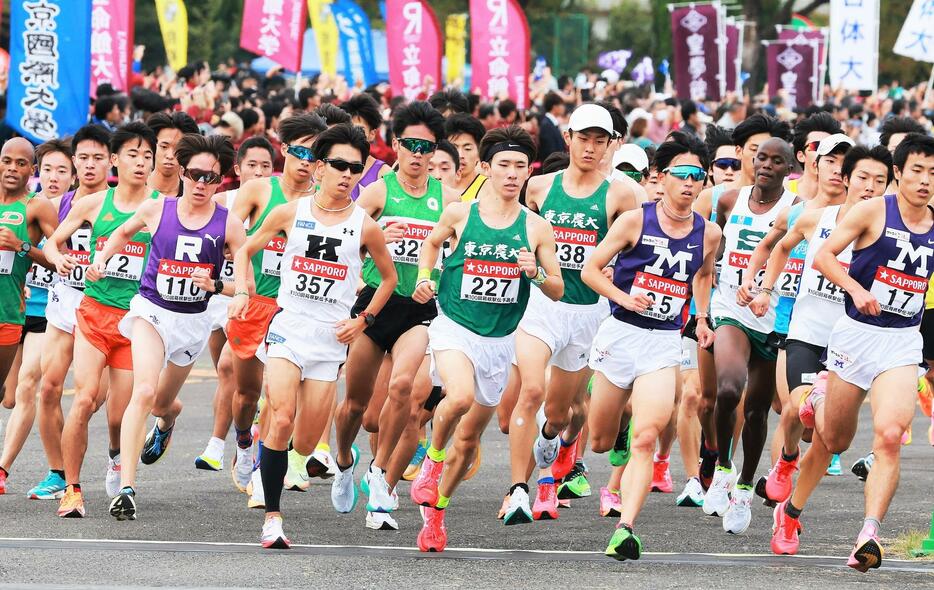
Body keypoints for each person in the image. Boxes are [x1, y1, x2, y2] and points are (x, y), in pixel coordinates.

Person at [230, 124, 397, 548]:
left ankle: (335, 460)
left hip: (331, 337)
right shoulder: (290, 212)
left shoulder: (365, 226)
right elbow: (245, 248)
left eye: (355, 169)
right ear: (319, 168)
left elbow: (389, 279)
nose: (346, 175)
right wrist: (244, 289)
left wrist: (364, 321)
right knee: (281, 416)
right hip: (290, 325)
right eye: (338, 165)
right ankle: (271, 518)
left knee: (303, 442)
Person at [779, 134, 934, 571]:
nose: (925, 181)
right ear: (899, 174)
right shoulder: (872, 211)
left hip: (903, 341)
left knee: (888, 436)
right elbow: (824, 257)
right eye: (917, 171)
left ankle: (868, 534)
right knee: (834, 440)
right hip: (855, 335)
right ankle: (789, 512)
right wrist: (855, 288)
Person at [409, 125, 564, 552]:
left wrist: (533, 271)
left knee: (470, 438)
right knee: (456, 398)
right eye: (503, 165)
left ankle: (438, 511)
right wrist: (426, 278)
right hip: (455, 325)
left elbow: (558, 288)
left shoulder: (536, 228)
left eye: (520, 166)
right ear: (485, 168)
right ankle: (430, 464)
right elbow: (430, 244)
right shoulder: (461, 213)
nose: (512, 174)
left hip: (500, 340)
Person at [585, 133, 720, 561]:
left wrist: (700, 318)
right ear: (660, 178)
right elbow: (591, 269)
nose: (688, 183)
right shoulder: (633, 220)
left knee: (647, 436)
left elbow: (702, 276)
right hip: (620, 333)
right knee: (602, 442)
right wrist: (623, 297)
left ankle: (626, 528)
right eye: (680, 174)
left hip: (662, 342)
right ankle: (617, 426)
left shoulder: (708, 232)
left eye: (696, 176)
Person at [753, 146, 893, 556]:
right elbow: (779, 247)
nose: (870, 187)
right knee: (797, 407)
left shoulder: (888, 231)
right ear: (846, 178)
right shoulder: (817, 218)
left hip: (850, 344)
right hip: (808, 334)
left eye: (880, 181)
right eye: (863, 178)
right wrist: (765, 288)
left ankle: (791, 514)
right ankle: (784, 459)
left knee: (831, 442)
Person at [503, 103, 638, 524]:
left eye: (601, 140)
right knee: (529, 392)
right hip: (541, 303)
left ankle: (551, 438)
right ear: (568, 138)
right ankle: (518, 490)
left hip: (588, 312)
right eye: (584, 138)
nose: (591, 148)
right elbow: (515, 230)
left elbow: (633, 247)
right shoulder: (540, 186)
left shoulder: (621, 194)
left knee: (559, 412)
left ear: (611, 145)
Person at [104, 134, 245, 520]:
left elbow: (243, 287)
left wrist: (220, 287)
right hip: (152, 310)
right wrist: (102, 258)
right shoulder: (157, 208)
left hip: (193, 322)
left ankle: (168, 418)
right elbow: (122, 232)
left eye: (211, 178)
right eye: (196, 174)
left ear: (221, 182)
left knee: (161, 402)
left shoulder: (228, 224)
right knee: (143, 389)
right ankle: (127, 488)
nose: (202, 184)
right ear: (182, 172)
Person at [332, 101, 458, 530]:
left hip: (419, 309)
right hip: (374, 304)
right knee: (358, 410)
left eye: (427, 146)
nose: (418, 153)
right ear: (396, 145)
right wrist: (375, 239)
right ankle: (346, 459)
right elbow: (344, 245)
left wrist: (437, 280)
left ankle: (380, 475)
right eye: (410, 144)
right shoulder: (380, 191)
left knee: (406, 388)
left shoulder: (448, 199)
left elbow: (461, 255)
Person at [45, 122, 160, 518]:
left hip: (137, 322)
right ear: (116, 160)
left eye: (148, 156)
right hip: (94, 313)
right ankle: (72, 490)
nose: (142, 163)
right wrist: (59, 258)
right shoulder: (95, 203)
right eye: (133, 155)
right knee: (84, 400)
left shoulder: (161, 206)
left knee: (119, 413)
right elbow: (52, 241)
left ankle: (116, 454)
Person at [226, 113, 327, 500]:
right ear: (284, 150)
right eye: (299, 151)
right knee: (247, 393)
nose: (305, 161)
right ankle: (243, 440)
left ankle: (262, 476)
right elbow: (230, 236)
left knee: (277, 395)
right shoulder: (258, 191)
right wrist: (238, 282)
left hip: (295, 310)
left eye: (313, 154)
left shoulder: (323, 202)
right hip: (253, 302)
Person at [703, 137, 797, 534]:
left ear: (790, 169)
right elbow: (711, 250)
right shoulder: (727, 200)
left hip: (774, 318)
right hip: (732, 307)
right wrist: (704, 304)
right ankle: (723, 466)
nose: (767, 166)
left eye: (777, 161)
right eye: (762, 158)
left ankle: (744, 487)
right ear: (750, 159)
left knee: (757, 411)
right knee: (727, 390)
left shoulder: (795, 209)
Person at [30, 125, 112, 501]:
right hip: (65, 301)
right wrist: (58, 256)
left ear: (111, 161)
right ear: (74, 162)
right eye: (83, 158)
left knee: (92, 400)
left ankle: (112, 458)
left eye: (98, 158)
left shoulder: (119, 204)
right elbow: (45, 247)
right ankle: (58, 473)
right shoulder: (59, 203)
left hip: (108, 307)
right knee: (48, 388)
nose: (90, 165)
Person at [195, 137, 275, 473]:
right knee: (228, 374)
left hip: (257, 297)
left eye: (265, 166)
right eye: (252, 165)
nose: (258, 171)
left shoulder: (278, 203)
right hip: (217, 295)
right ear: (238, 169)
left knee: (232, 367)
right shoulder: (222, 202)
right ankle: (239, 433)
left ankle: (218, 445)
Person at [0, 139, 70, 495]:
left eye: (21, 163)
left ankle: (3, 469)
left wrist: (23, 248)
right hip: (21, 302)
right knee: (10, 398)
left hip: (39, 312)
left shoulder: (41, 208)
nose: (12, 168)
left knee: (29, 385)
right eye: (6, 161)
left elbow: (61, 255)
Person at [339, 93, 392, 200]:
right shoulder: (328, 165)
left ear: (372, 134)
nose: (352, 134)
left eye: (359, 130)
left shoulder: (384, 173)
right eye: (348, 128)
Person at [788, 112, 843, 199]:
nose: (823, 153)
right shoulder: (783, 192)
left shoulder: (844, 199)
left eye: (830, 148)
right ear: (801, 156)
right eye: (816, 146)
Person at [146, 112, 199, 198]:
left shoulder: (191, 195)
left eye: (178, 149)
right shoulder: (135, 187)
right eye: (164, 146)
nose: (170, 156)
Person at [445, 113, 488, 201]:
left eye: (467, 148)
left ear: (479, 152)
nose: (460, 155)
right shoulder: (433, 184)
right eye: (454, 147)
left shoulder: (489, 189)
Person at [538, 92, 566, 163]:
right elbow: (550, 151)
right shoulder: (546, 124)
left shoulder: (551, 123)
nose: (563, 108)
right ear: (555, 107)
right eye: (561, 105)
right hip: (552, 167)